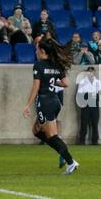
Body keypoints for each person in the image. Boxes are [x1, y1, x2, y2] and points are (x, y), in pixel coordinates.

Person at [22, 37, 79, 175]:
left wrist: (27, 105)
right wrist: (51, 83)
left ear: (42, 51)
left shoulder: (39, 65)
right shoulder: (56, 65)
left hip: (45, 101)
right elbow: (66, 83)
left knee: (51, 135)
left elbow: (36, 87)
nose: (35, 51)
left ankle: (70, 161)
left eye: (37, 49)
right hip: (55, 101)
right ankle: (61, 148)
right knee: (36, 131)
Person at [77, 66, 101, 145]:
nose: (90, 73)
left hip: (94, 102)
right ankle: (82, 140)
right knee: (84, 122)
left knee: (95, 122)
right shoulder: (82, 82)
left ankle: (95, 141)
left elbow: (100, 92)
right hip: (85, 102)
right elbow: (80, 92)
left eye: (92, 71)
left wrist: (91, 95)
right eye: (89, 72)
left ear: (94, 72)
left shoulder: (98, 82)